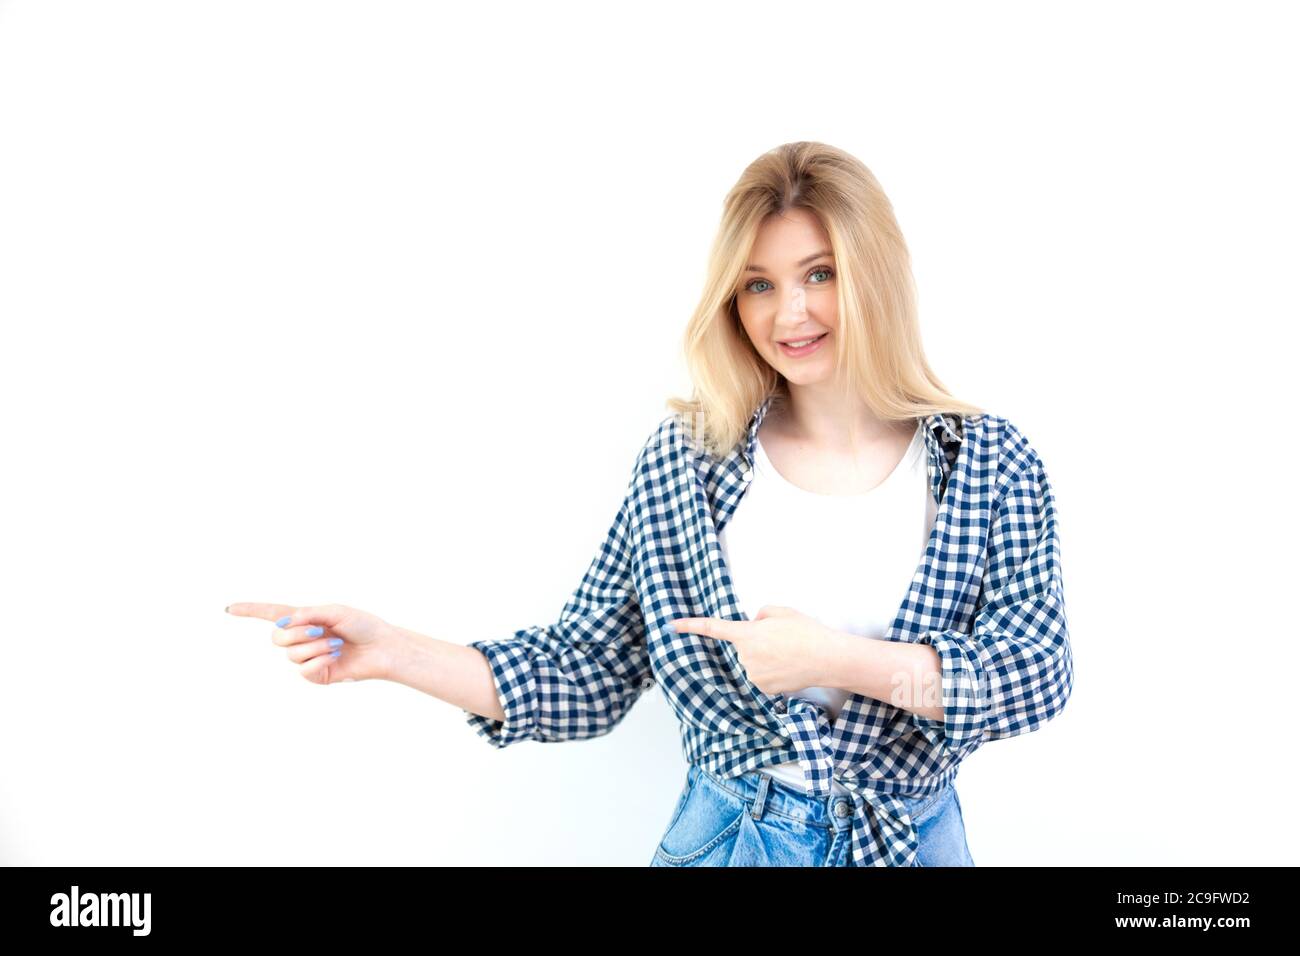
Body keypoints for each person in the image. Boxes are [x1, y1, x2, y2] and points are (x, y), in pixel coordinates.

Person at [227, 141, 1073, 867]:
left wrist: (833, 660)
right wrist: (393, 652)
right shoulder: (688, 463)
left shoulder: (988, 463)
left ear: (875, 274)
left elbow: (1037, 674)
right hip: (732, 837)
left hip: (914, 842)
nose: (793, 312)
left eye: (821, 273)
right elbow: (586, 669)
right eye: (758, 285)